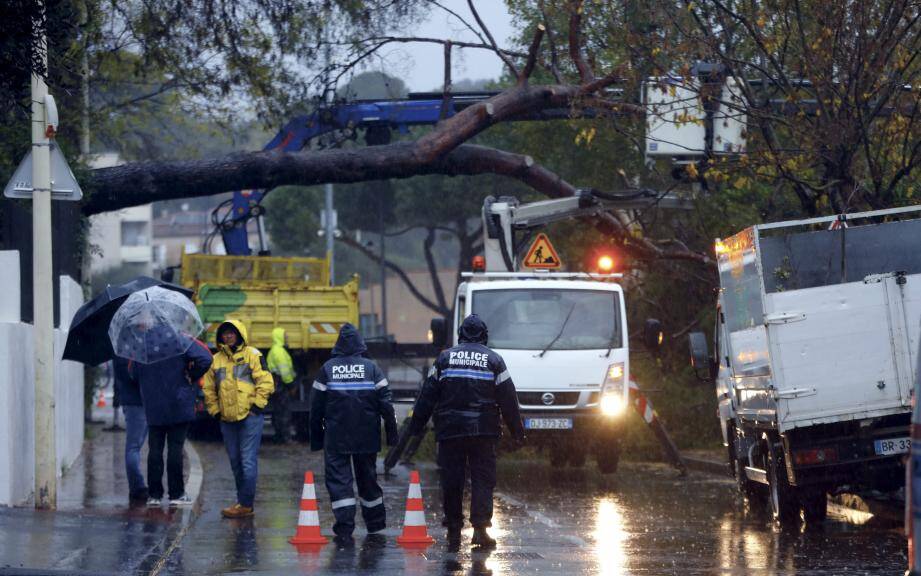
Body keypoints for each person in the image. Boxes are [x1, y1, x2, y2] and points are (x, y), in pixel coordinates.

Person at [407, 314, 525, 548]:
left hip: (450, 431)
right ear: (485, 336)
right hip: (484, 432)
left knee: (452, 479)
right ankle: (480, 530)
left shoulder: (444, 359)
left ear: (460, 335)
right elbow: (509, 400)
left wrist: (416, 426)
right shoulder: (495, 360)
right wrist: (517, 431)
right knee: (482, 480)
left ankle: (453, 528)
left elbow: (427, 396)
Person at [310, 323, 398, 540]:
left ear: (338, 344)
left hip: (336, 437)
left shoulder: (328, 369)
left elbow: (315, 409)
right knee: (368, 479)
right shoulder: (372, 368)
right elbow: (386, 405)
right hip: (367, 436)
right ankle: (375, 525)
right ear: (360, 344)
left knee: (340, 482)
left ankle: (345, 527)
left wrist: (317, 440)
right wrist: (392, 435)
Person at [203, 319, 275, 519]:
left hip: (250, 418)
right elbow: (209, 389)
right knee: (236, 463)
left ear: (239, 334)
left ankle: (245, 504)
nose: (228, 336)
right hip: (227, 419)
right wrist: (215, 411)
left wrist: (256, 407)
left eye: (231, 333)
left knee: (247, 462)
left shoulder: (253, 355)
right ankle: (243, 502)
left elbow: (266, 382)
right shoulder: (215, 360)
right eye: (224, 333)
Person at [131, 334, 212, 507]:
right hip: (179, 402)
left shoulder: (144, 342)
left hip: (153, 403)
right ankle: (176, 493)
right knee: (175, 448)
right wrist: (192, 373)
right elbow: (206, 358)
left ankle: (154, 495)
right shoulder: (180, 339)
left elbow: (133, 372)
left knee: (155, 450)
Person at [114, 357, 147, 503]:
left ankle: (137, 487)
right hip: (136, 402)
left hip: (140, 401)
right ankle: (137, 487)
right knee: (133, 446)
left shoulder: (123, 347)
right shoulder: (124, 351)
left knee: (136, 446)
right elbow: (128, 375)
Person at [266, 327, 296, 444]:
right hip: (281, 385)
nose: (287, 337)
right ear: (280, 337)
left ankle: (279, 436)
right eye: (285, 336)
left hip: (277, 384)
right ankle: (285, 437)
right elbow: (285, 372)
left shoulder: (276, 350)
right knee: (284, 412)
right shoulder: (279, 352)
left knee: (278, 411)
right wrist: (291, 384)